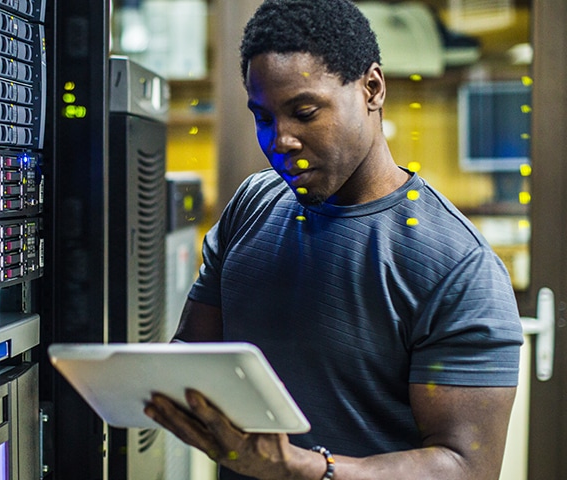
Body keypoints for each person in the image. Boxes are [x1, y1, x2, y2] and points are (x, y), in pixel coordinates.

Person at [140, 0, 526, 479]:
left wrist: (302, 468)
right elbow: (192, 360)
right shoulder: (251, 206)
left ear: (372, 89)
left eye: (304, 112)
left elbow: (468, 467)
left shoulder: (458, 266)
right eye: (264, 117)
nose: (280, 140)